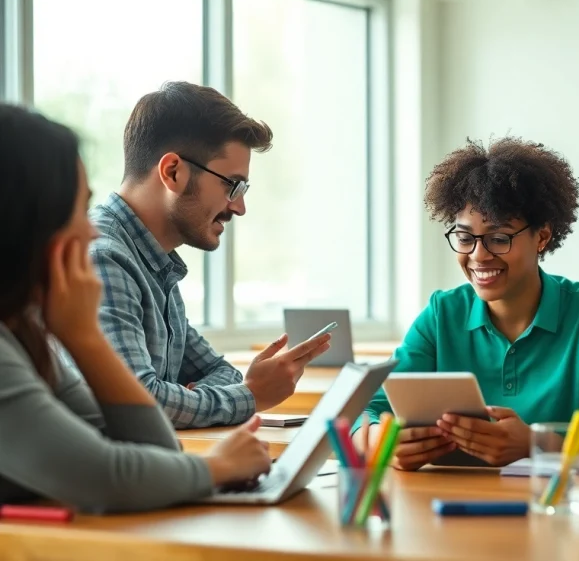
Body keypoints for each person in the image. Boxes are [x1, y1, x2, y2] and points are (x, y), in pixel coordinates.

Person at [0, 104, 271, 512]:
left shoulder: (25, 333)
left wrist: (84, 337)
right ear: (25, 220)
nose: (90, 228)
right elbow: (107, 478)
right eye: (75, 208)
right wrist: (217, 466)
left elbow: (153, 450)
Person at [355, 137, 579, 468]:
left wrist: (538, 444)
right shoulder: (441, 314)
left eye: (498, 238)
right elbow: (369, 407)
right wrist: (380, 441)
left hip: (552, 506)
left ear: (542, 236)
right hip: (444, 508)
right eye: (464, 238)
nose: (478, 255)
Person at [89, 81, 331, 429]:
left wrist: (185, 400)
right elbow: (140, 403)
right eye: (232, 185)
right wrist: (251, 397)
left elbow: (222, 373)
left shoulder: (156, 265)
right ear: (173, 172)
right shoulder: (103, 258)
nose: (240, 206)